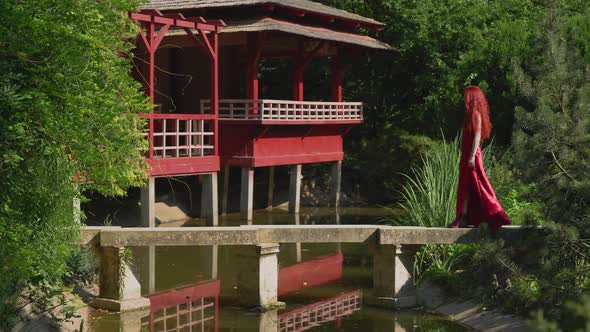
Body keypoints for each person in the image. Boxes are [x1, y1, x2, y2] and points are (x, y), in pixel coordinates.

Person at [449, 86, 511, 229]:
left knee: (480, 185)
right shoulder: (470, 114)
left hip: (472, 156)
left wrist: (471, 157)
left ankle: (496, 214)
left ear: (471, 97)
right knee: (466, 187)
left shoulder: (475, 114)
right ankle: (463, 217)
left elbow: (477, 137)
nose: (464, 98)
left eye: (466, 95)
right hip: (467, 156)